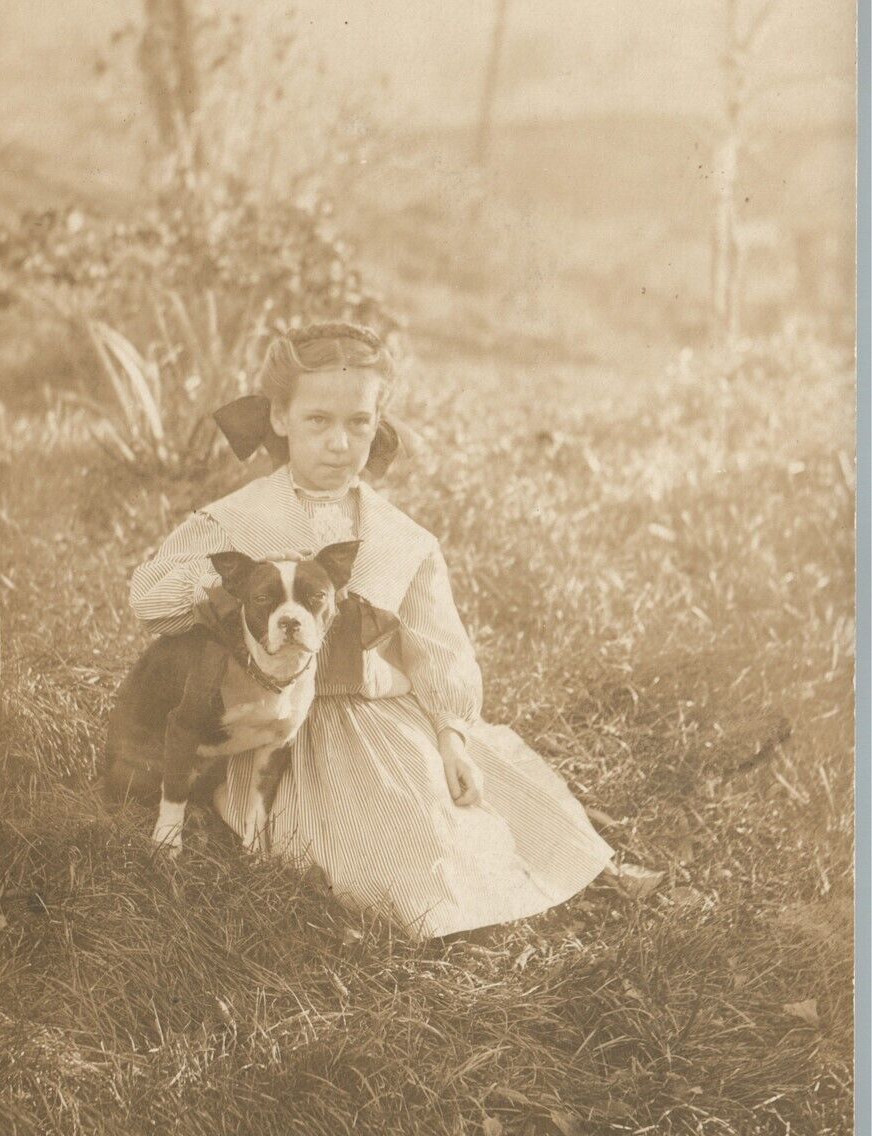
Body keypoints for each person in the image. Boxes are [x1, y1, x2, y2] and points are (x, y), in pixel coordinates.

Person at [128, 322, 660, 939]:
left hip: (380, 715)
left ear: (378, 424)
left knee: (483, 795)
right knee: (407, 846)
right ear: (278, 418)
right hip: (275, 727)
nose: (338, 444)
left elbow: (438, 648)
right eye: (318, 421)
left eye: (358, 423)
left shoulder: (401, 538)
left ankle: (580, 875)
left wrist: (452, 733)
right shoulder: (236, 520)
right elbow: (148, 596)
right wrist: (219, 587)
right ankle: (448, 897)